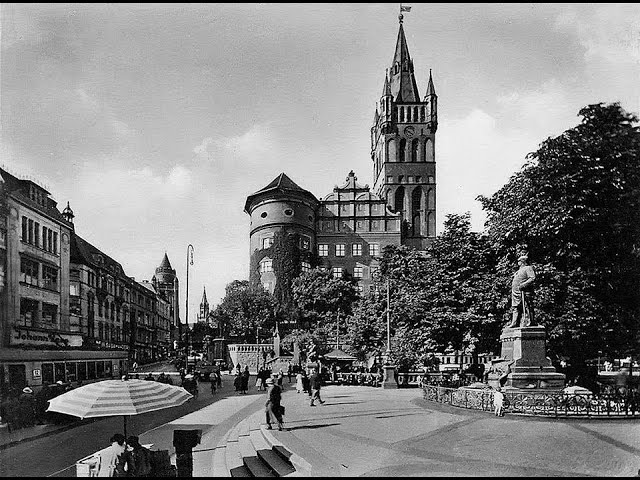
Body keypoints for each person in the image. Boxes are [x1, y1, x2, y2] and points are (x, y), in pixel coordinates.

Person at [506, 254, 536, 328]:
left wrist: (523, 285)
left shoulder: (528, 268)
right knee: (515, 307)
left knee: (528, 306)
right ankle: (514, 322)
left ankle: (531, 322)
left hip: (525, 291)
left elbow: (532, 278)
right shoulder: (518, 271)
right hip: (516, 292)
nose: (518, 262)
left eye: (519, 261)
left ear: (522, 262)